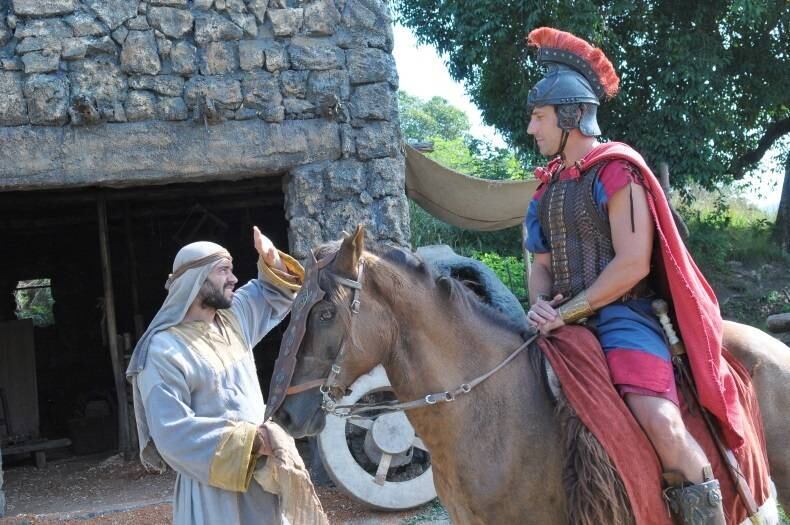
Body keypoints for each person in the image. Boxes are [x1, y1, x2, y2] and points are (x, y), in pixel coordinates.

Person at [522, 27, 740, 523]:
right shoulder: (545, 191)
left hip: (626, 317)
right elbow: (541, 265)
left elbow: (633, 263)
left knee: (662, 422)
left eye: (538, 117)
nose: (532, 129)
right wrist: (539, 304)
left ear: (572, 116)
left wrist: (570, 311)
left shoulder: (617, 170)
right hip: (559, 319)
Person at [125, 227, 318, 525]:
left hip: (261, 478)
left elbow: (275, 292)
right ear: (196, 279)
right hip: (212, 490)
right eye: (223, 270)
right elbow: (172, 434)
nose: (233, 278)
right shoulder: (162, 350)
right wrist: (251, 442)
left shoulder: (233, 318)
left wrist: (270, 258)